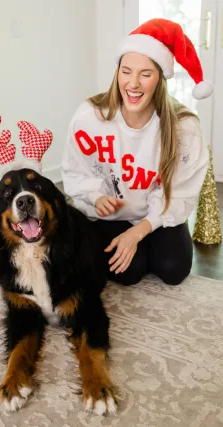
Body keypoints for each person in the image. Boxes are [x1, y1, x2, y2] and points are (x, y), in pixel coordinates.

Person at [61, 18, 213, 286]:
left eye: (146, 74)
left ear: (160, 80)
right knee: (128, 273)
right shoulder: (89, 118)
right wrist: (95, 197)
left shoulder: (183, 127)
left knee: (173, 269)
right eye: (126, 71)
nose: (133, 84)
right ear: (117, 73)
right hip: (112, 216)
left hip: (156, 214)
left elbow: (181, 192)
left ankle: (152, 236)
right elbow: (75, 170)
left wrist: (141, 231)